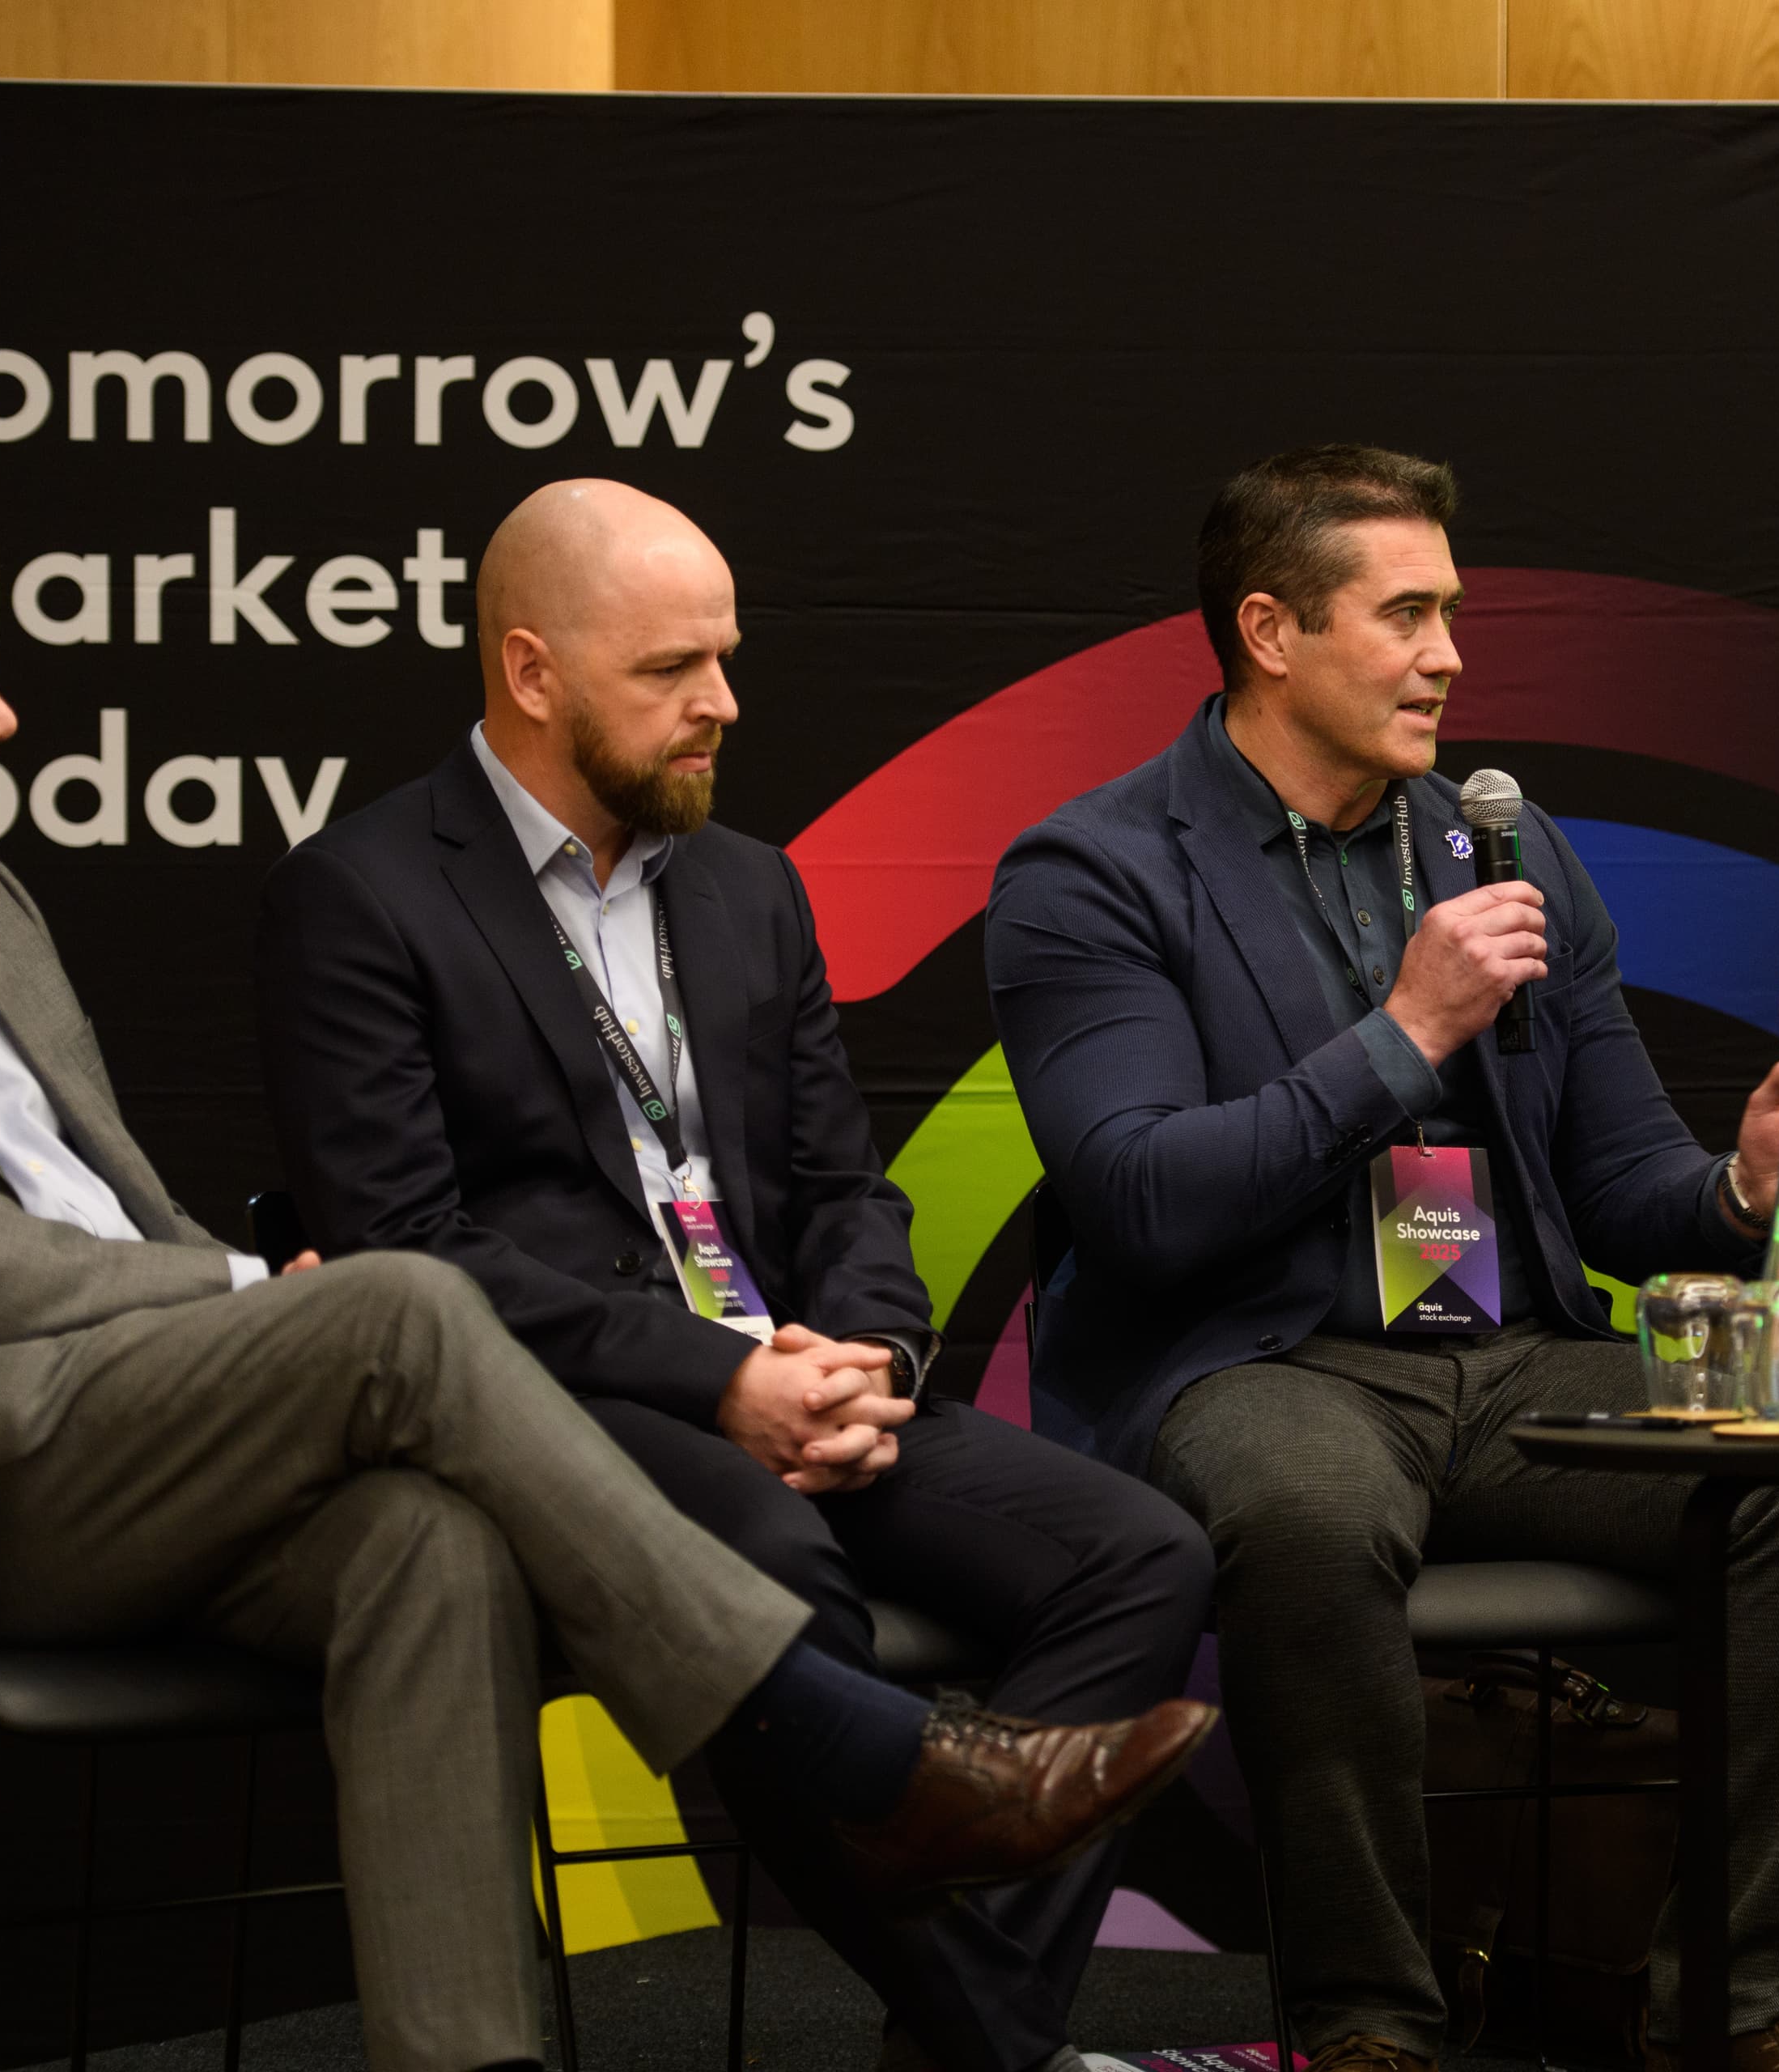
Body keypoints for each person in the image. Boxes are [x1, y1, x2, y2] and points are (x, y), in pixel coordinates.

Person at [0, 486, 1212, 2072]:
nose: (5, 719)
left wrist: (861, 1353)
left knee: (433, 1541)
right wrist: (241, 1294)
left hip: (101, 1432)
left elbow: (95, 1200)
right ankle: (862, 1753)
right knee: (400, 1301)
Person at [253, 478, 1218, 2072]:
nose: (723, 702)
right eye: (671, 668)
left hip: (802, 1376)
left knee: (1141, 1555)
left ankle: (964, 2030)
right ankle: (1001, 2048)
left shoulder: (748, 885)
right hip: (569, 1403)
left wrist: (870, 1359)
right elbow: (405, 1249)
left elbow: (842, 1183)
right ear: (531, 669)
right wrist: (723, 1381)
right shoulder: (360, 893)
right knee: (775, 1565)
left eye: (725, 656)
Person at [986, 445, 1779, 2072]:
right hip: (1262, 1362)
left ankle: (1738, 2001)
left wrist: (1745, 1193)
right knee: (1308, 1511)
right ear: (1270, 631)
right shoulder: (1098, 871)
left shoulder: (1505, 842)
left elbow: (1620, 1187)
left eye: (1451, 613)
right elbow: (1141, 1198)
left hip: (1514, 1360)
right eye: (1404, 615)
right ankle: (1371, 2025)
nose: (1450, 655)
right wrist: (1406, 1033)